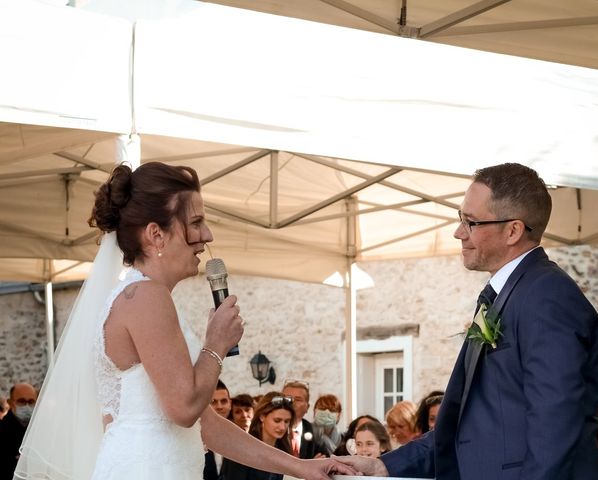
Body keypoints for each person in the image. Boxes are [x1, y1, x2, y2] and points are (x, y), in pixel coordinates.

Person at [15, 162, 355, 480]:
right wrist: (216, 346)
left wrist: (301, 467)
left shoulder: (144, 296)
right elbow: (185, 407)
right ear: (156, 235)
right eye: (195, 223)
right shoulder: (146, 297)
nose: (207, 235)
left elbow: (204, 424)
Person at [337, 163, 598, 479]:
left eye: (471, 222)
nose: (459, 232)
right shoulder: (504, 296)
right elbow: (468, 427)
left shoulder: (548, 297)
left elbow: (555, 428)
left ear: (513, 230)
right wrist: (385, 464)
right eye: (460, 219)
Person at [222, 392, 296, 480]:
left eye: (286, 421)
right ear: (262, 417)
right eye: (277, 420)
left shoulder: (284, 450)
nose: (282, 427)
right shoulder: (242, 450)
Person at [0, 383, 37, 480]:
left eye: (31, 402)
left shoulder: (39, 430)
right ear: (10, 402)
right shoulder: (2, 429)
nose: (27, 406)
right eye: (21, 401)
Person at [203, 380, 233, 480]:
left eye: (224, 401)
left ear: (230, 403)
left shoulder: (238, 436)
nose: (219, 406)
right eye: (213, 402)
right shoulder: (196, 437)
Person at [282, 380, 317, 458]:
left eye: (298, 400)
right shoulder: (272, 430)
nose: (292, 403)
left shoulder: (315, 433)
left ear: (307, 407)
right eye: (288, 398)